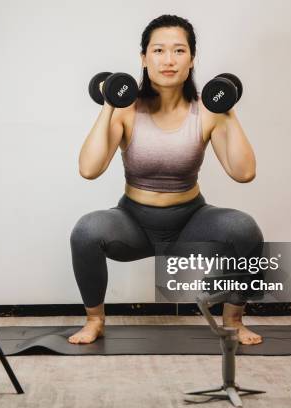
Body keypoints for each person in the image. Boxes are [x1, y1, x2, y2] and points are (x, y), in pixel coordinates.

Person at [69, 15, 263, 345]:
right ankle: (94, 320)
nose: (169, 60)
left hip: (191, 222)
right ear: (144, 58)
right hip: (133, 223)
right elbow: (89, 169)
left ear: (192, 58)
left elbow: (243, 173)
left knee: (245, 228)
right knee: (86, 231)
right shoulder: (126, 109)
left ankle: (233, 321)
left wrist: (227, 108)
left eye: (178, 50)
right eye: (158, 50)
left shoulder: (207, 111)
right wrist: (109, 104)